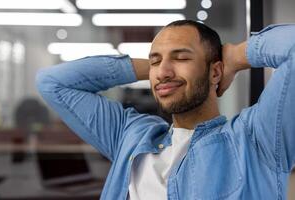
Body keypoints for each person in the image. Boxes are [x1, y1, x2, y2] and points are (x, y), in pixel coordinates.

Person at [36, 20, 295, 199]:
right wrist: (153, 68)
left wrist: (237, 56)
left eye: (182, 58)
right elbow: (53, 83)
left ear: (216, 71)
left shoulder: (256, 139)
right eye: (156, 61)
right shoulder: (130, 135)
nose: (163, 72)